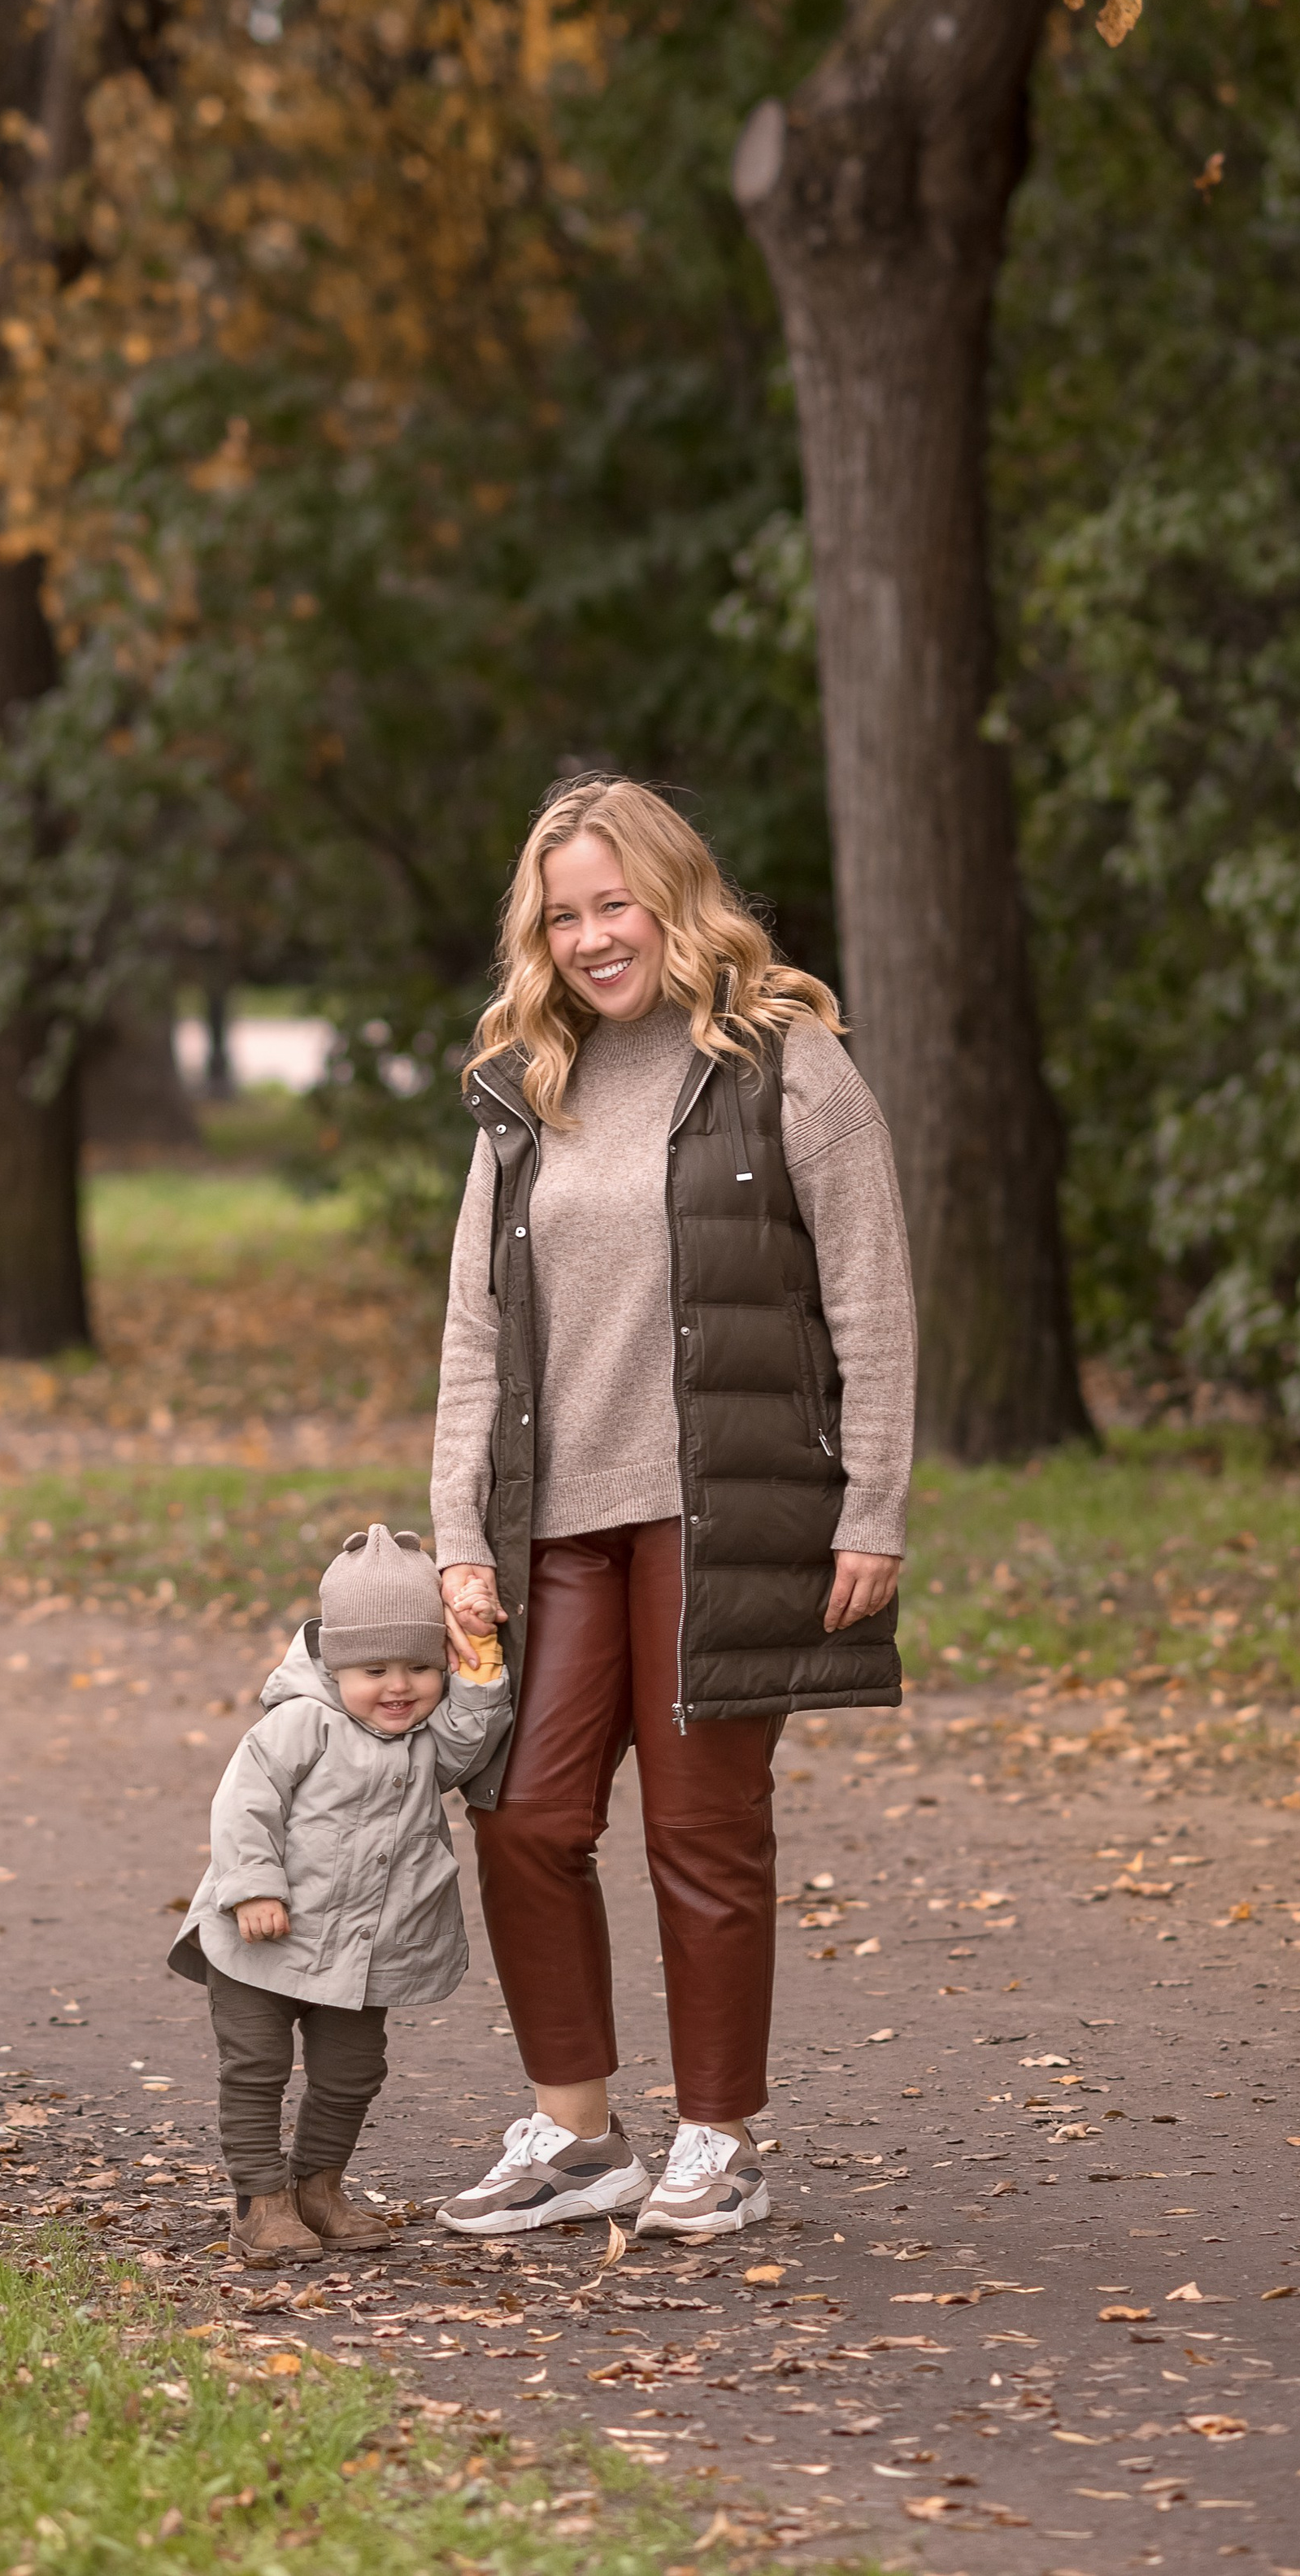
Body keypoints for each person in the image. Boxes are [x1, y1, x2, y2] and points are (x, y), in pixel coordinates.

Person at [429, 776, 915, 2240]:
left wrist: (873, 1506)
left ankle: (721, 2136)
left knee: (702, 1830)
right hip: (557, 1519)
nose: (591, 938)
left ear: (674, 896)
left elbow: (872, 1296)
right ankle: (578, 2134)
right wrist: (459, 1535)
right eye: (564, 914)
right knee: (520, 1811)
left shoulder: (783, 1061)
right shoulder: (528, 1080)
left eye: (613, 903)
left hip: (725, 1509)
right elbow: (472, 1327)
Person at [168, 1521, 511, 2267]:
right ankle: (260, 2201)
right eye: (375, 1669)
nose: (399, 1686)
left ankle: (318, 2187)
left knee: (352, 2072)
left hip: (363, 1950)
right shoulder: (299, 1722)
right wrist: (253, 1887)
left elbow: (468, 1743)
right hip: (265, 1937)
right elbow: (245, 1805)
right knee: (256, 2064)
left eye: (421, 1665)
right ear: (333, 1663)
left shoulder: (424, 1736)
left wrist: (479, 1666)